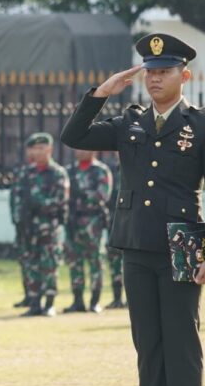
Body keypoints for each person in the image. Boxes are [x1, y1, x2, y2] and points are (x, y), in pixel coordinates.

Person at [61, 33, 205, 386]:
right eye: (150, 72)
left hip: (182, 248)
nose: (155, 79)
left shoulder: (204, 125)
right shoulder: (128, 122)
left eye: (164, 71)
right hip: (135, 243)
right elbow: (73, 135)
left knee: (181, 346)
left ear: (184, 75)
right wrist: (102, 93)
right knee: (149, 347)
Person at [15, 133, 69, 317]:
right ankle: (34, 302)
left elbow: (60, 200)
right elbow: (18, 199)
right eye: (35, 148)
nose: (37, 152)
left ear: (49, 150)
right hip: (30, 228)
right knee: (32, 265)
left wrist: (39, 203)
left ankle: (49, 303)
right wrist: (20, 220)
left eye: (41, 148)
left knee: (49, 265)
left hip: (49, 227)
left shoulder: (57, 173)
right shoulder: (26, 173)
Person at [64, 149, 112, 313]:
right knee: (74, 262)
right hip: (73, 222)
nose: (79, 151)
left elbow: (103, 195)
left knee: (95, 261)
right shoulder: (69, 171)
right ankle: (77, 300)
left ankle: (95, 301)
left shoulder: (100, 170)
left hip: (93, 222)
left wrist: (82, 194)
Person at [9, 151, 33, 308]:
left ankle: (45, 299)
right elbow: (14, 199)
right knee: (25, 260)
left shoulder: (54, 173)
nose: (34, 152)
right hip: (23, 225)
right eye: (31, 149)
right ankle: (29, 295)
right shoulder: (21, 174)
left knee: (45, 263)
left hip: (43, 227)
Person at [104, 156, 126, 309]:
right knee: (114, 261)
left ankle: (132, 299)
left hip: (132, 222)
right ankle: (117, 297)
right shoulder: (111, 170)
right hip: (114, 222)